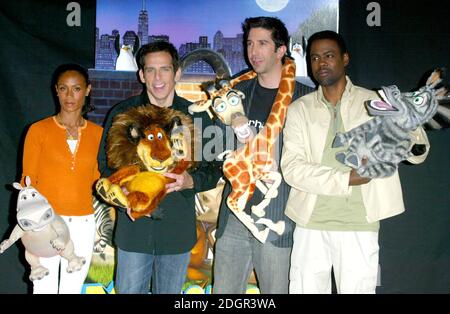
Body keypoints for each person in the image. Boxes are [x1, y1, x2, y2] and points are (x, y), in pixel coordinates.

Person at [281, 30, 430, 294]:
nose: (321, 63)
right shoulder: (299, 109)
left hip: (360, 222)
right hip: (310, 223)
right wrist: (346, 179)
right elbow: (292, 169)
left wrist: (412, 123)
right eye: (315, 58)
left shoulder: (375, 102)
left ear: (345, 58)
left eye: (329, 56)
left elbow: (417, 154)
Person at [97, 41, 222, 294]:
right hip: (134, 231)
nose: (158, 78)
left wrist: (191, 181)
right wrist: (124, 195)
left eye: (164, 69)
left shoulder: (197, 115)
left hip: (177, 232)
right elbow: (105, 166)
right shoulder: (123, 113)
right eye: (151, 70)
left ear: (177, 73)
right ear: (141, 74)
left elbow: (216, 167)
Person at [212, 17, 313, 294]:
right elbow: (214, 149)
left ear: (281, 50)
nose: (253, 51)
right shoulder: (236, 93)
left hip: (278, 218)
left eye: (262, 44)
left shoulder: (304, 98)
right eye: (249, 43)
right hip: (235, 214)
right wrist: (224, 127)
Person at [21, 63, 102, 294]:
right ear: (56, 90)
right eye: (63, 88)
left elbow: (99, 181)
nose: (69, 95)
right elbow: (28, 181)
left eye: (76, 88)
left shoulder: (98, 134)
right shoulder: (38, 130)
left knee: (72, 288)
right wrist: (30, 225)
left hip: (83, 223)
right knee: (43, 287)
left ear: (87, 90)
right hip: (44, 222)